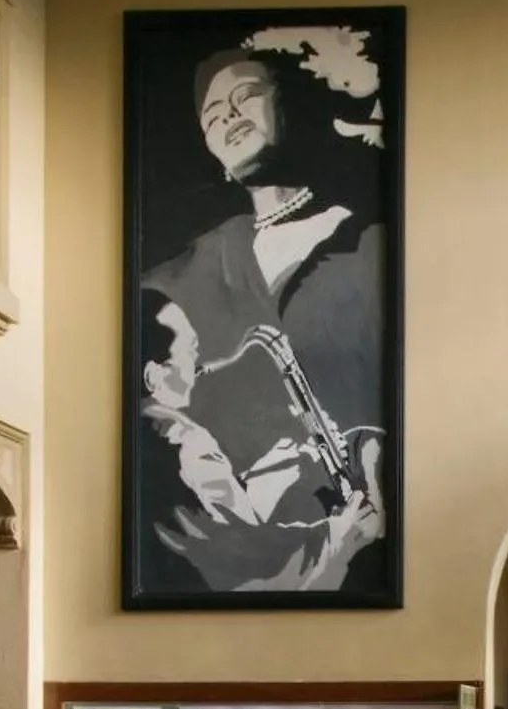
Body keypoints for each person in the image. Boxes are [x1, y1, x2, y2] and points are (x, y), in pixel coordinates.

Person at [136, 29, 392, 597]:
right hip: (246, 542)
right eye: (211, 115)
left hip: (357, 524)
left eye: (245, 96)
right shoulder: (184, 270)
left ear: (289, 102)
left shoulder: (372, 242)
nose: (227, 117)